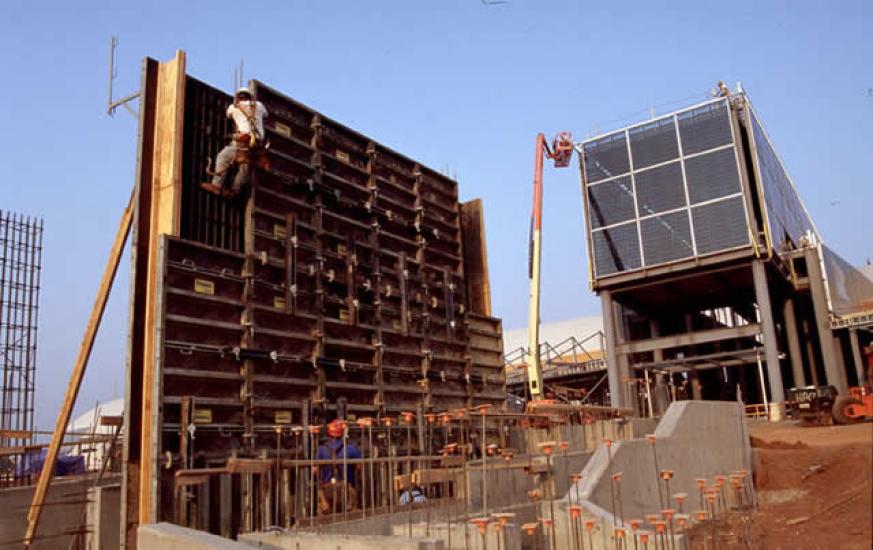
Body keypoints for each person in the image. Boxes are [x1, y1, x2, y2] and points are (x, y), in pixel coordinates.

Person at [201, 87, 269, 197]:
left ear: (237, 98)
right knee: (246, 164)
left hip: (243, 141)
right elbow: (266, 116)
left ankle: (217, 185)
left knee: (223, 157)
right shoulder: (259, 105)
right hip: (257, 145)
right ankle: (235, 190)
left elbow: (228, 115)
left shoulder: (233, 107)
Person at [315, 419, 362, 514]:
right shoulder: (351, 449)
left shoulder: (321, 449)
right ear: (343, 433)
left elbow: (315, 471)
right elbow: (359, 468)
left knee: (324, 519)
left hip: (326, 490)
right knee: (350, 517)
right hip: (346, 490)